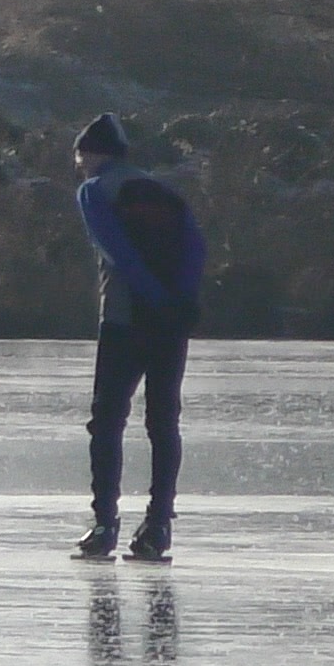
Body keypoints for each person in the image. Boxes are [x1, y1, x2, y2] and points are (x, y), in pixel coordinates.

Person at [69, 113, 203, 562]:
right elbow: (196, 246)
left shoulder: (93, 191)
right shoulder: (164, 192)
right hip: (173, 321)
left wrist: (149, 295)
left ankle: (105, 524)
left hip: (126, 319)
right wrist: (178, 301)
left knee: (107, 421)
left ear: (90, 154)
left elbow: (115, 250)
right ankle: (158, 526)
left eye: (80, 156)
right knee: (163, 422)